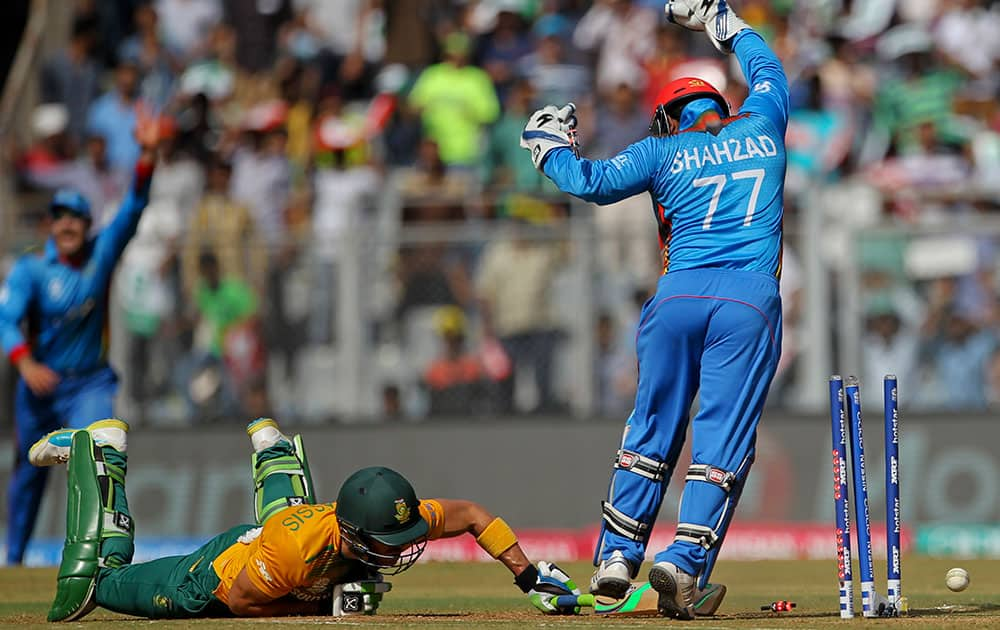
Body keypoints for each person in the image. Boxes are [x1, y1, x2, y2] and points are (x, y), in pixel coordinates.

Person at [520, 0, 788, 619]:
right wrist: (721, 21)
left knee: (651, 428)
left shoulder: (658, 152)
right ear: (721, 109)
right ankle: (684, 562)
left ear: (672, 117)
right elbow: (769, 68)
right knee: (722, 436)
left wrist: (546, 146)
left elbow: (588, 182)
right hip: (747, 299)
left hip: (676, 299)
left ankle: (617, 557)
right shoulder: (764, 126)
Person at [27, 418, 584, 620]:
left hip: (292, 534)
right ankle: (97, 452)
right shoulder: (295, 553)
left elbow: (471, 515)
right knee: (98, 588)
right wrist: (324, 604)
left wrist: (526, 573)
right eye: (391, 540)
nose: (403, 547)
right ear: (355, 533)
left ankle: (272, 447)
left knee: (292, 520)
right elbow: (244, 602)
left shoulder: (370, 521)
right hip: (210, 581)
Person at [0, 115, 162, 565]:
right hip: (39, 385)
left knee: (98, 457)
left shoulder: (101, 254)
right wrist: (25, 363)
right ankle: (13, 561)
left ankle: (98, 556)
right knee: (27, 474)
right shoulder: (32, 270)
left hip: (89, 382)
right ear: (50, 225)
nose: (67, 225)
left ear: (87, 223)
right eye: (59, 217)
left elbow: (133, 208)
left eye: (75, 217)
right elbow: (6, 319)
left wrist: (147, 155)